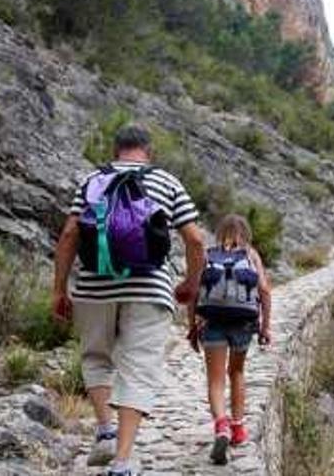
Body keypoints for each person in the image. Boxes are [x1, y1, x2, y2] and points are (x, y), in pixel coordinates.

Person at [52, 125, 206, 476]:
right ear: (148, 151)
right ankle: (122, 462)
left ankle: (105, 428)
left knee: (96, 357)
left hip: (94, 286)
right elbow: (195, 241)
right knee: (138, 368)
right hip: (149, 289)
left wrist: (59, 289)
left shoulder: (92, 180)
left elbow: (70, 234)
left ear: (115, 148)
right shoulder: (167, 182)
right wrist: (190, 284)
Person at [187, 214, 272, 466]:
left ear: (219, 232)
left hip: (212, 322)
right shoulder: (250, 255)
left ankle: (221, 425)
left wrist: (192, 326)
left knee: (215, 379)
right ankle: (238, 427)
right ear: (245, 233)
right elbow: (265, 290)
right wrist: (265, 326)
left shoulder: (207, 255)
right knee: (236, 372)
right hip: (243, 323)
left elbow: (192, 294)